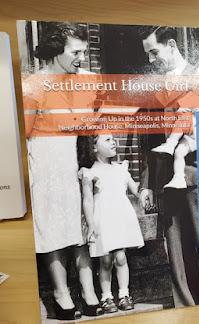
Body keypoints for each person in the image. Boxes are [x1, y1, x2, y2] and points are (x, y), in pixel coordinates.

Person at [140, 26, 199, 307]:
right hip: (168, 181)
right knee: (177, 259)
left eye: (155, 52)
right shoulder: (156, 91)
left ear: (172, 45)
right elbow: (148, 141)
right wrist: (145, 184)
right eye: (148, 55)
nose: (151, 60)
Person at [24, 23, 102, 320]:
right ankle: (60, 293)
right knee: (52, 229)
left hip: (72, 160)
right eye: (76, 52)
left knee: (79, 227)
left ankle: (87, 290)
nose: (83, 57)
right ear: (57, 50)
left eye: (84, 50)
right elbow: (25, 133)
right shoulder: (34, 85)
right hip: (45, 163)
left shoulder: (81, 82)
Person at [79, 134, 144, 313]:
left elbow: (134, 187)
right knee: (106, 260)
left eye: (114, 138)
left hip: (120, 218)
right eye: (107, 140)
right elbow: (88, 201)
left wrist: (143, 193)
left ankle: (124, 294)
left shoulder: (121, 168)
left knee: (121, 257)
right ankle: (106, 296)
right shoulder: (90, 172)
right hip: (103, 220)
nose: (113, 142)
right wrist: (91, 223)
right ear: (94, 147)